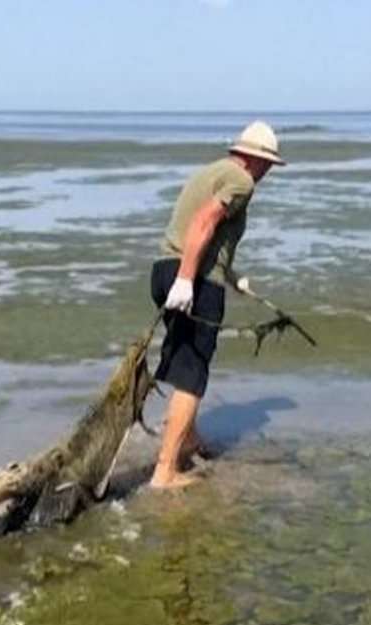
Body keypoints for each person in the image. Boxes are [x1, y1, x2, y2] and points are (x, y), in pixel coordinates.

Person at [149, 121, 285, 489]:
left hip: (163, 270)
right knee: (192, 375)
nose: (269, 171)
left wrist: (231, 274)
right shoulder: (242, 182)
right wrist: (188, 278)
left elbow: (203, 236)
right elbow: (203, 223)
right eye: (269, 163)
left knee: (181, 359)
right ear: (257, 159)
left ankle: (188, 439)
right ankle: (165, 471)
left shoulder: (210, 172)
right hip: (191, 279)